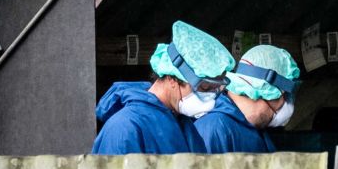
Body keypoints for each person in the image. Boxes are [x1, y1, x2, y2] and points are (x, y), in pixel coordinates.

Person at [92, 21, 234, 154]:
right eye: (203, 88)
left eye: (214, 90)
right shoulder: (125, 128)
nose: (209, 99)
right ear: (172, 79)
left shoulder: (184, 126)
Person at [194, 44, 300, 154]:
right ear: (266, 91)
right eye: (285, 96)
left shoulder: (255, 129)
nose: (285, 103)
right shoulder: (213, 131)